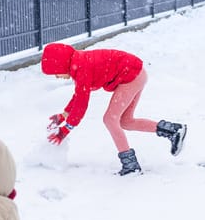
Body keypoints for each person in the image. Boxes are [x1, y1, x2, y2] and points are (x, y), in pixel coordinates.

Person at [41, 42, 187, 175]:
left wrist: (66, 129)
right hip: (136, 73)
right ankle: (173, 130)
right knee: (126, 121)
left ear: (61, 65)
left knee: (110, 120)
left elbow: (81, 102)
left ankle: (130, 166)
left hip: (131, 76)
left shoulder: (81, 68)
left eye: (55, 73)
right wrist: (63, 115)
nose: (57, 77)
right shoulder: (79, 62)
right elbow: (79, 95)